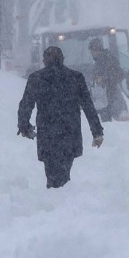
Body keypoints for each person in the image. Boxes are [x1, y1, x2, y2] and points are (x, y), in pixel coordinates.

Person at [18, 46, 104, 188]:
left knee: (51, 170)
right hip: (70, 133)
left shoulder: (36, 78)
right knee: (64, 170)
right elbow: (88, 106)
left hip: (47, 133)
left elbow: (26, 104)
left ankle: (55, 193)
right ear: (63, 60)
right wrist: (97, 132)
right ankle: (61, 194)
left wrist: (24, 126)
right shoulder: (76, 78)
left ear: (44, 61)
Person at [89, 37, 127, 122]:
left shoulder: (109, 59)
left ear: (96, 49)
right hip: (102, 99)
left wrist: (104, 79)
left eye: (91, 51)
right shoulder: (98, 61)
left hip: (111, 99)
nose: (91, 53)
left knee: (111, 127)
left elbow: (119, 74)